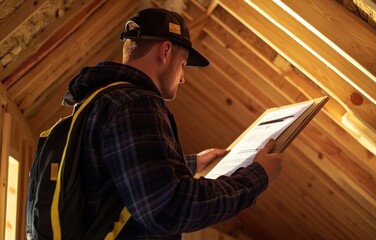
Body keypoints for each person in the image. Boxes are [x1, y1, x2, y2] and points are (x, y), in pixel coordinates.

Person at [63, 8, 283, 239]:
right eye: (184, 64)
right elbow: (170, 208)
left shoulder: (99, 100)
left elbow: (122, 175)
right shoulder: (136, 104)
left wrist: (191, 163)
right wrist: (258, 176)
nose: (182, 77)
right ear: (166, 51)